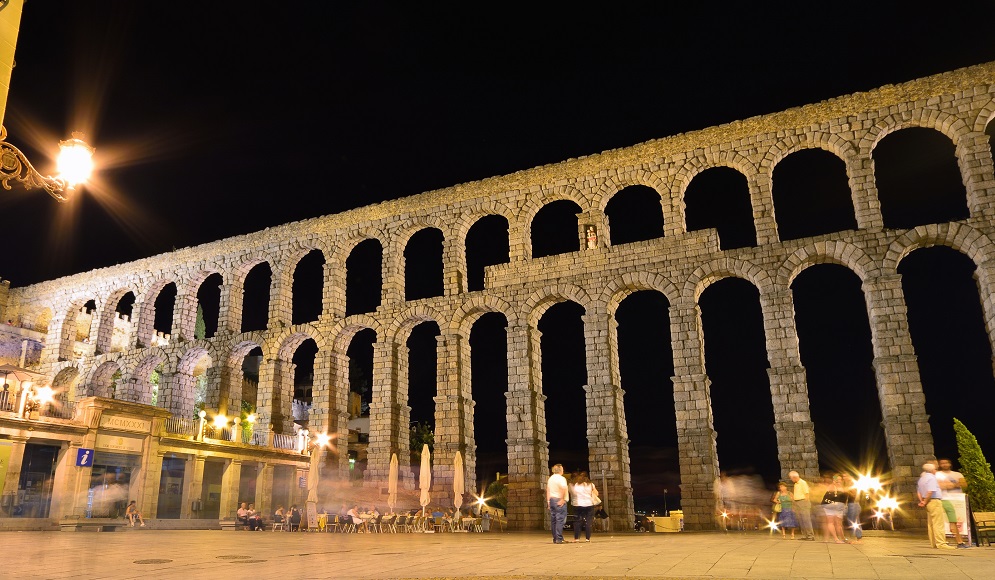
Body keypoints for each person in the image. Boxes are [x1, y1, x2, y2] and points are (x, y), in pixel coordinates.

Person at [917, 462, 955, 549]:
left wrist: (923, 501)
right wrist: (926, 500)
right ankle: (941, 543)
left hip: (927, 502)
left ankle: (934, 543)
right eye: (935, 469)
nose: (935, 471)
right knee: (938, 523)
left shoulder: (922, 478)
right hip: (934, 501)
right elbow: (931, 491)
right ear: (932, 470)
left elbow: (918, 492)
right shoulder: (931, 478)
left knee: (931, 524)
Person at [936, 458, 967, 548]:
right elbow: (940, 486)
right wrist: (955, 484)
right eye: (942, 463)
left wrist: (948, 485)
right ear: (939, 465)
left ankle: (961, 541)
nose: (944, 465)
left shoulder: (957, 474)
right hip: (944, 499)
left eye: (946, 463)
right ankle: (950, 541)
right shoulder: (938, 474)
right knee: (947, 521)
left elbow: (964, 484)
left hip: (958, 500)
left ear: (950, 464)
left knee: (959, 520)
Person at [569, 471, 598, 542]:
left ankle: (576, 538)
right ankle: (587, 538)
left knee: (577, 522)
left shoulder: (574, 485)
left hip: (577, 504)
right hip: (589, 504)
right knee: (588, 521)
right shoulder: (591, 485)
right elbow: (596, 494)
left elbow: (572, 494)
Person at [820, 474, 847, 543]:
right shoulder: (833, 487)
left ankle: (842, 538)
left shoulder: (841, 487)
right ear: (834, 480)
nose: (838, 481)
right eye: (836, 479)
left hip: (836, 506)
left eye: (839, 479)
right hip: (830, 506)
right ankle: (836, 539)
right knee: (832, 522)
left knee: (837, 523)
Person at [546, 463, 569, 544]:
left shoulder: (550, 479)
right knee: (560, 520)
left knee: (554, 520)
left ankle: (555, 538)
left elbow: (548, 490)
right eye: (562, 469)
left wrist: (548, 501)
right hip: (559, 500)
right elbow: (563, 488)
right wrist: (562, 499)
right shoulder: (561, 479)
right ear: (560, 470)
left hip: (552, 500)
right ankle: (559, 538)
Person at [789, 471, 815, 540]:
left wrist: (805, 504)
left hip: (803, 502)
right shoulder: (796, 484)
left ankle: (810, 536)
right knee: (801, 520)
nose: (791, 479)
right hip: (797, 502)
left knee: (806, 519)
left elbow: (807, 494)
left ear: (794, 477)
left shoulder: (802, 483)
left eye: (791, 478)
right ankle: (805, 535)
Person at [841, 474, 862, 543]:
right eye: (843, 476)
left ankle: (858, 538)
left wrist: (846, 490)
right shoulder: (845, 484)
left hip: (853, 504)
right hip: (849, 505)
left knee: (854, 521)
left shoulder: (853, 484)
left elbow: (854, 494)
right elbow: (834, 477)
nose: (844, 478)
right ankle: (857, 537)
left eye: (845, 476)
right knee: (851, 521)